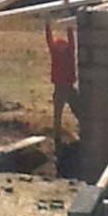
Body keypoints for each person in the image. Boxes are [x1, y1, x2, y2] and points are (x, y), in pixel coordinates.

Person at [45, 17, 80, 145]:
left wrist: (48, 24)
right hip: (65, 88)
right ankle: (58, 139)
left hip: (64, 88)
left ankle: (58, 139)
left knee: (59, 116)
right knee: (67, 114)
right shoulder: (68, 51)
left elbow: (49, 39)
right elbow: (70, 39)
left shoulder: (58, 51)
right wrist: (68, 24)